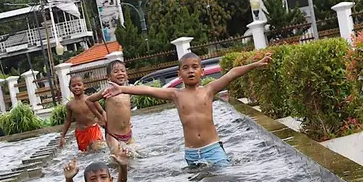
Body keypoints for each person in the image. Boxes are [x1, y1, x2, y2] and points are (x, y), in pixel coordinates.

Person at [101, 52, 272, 167]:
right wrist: (122, 89)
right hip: (191, 153)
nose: (190, 71)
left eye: (194, 67)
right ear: (179, 73)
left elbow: (232, 73)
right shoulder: (176, 95)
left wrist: (256, 64)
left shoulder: (209, 90)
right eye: (186, 68)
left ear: (202, 72)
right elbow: (148, 90)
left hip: (212, 149)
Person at [86, 60, 135, 155]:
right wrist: (100, 116)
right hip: (113, 135)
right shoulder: (107, 90)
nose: (120, 73)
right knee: (119, 158)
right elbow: (89, 100)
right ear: (108, 77)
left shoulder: (127, 91)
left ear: (127, 74)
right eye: (116, 71)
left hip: (128, 133)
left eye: (122, 71)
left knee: (134, 157)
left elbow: (125, 110)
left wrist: (128, 121)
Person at [58, 75, 108, 153]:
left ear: (84, 86)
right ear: (70, 88)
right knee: (85, 153)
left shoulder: (91, 99)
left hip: (93, 129)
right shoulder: (70, 105)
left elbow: (102, 111)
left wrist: (106, 122)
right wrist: (63, 136)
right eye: (73, 86)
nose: (76, 87)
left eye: (79, 85)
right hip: (80, 133)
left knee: (97, 149)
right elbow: (68, 121)